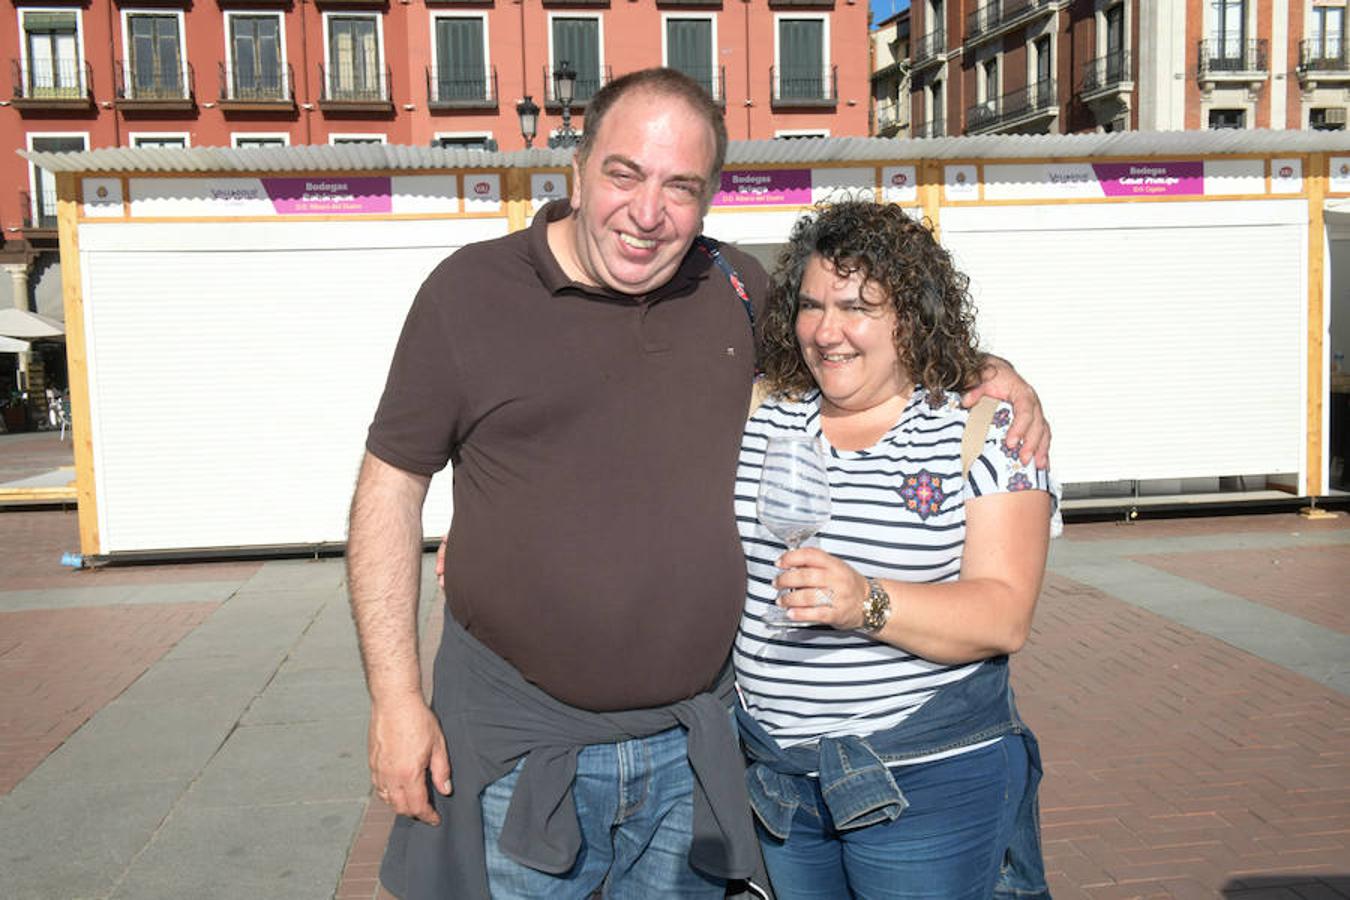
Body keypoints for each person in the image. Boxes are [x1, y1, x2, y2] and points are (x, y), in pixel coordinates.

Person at [347, 68, 1050, 900]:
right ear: (576, 168)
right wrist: (395, 701)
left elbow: (859, 336)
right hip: (519, 748)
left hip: (693, 758)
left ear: (710, 196)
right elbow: (390, 490)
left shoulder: (736, 288)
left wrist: (986, 370)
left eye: (681, 187)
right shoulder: (469, 292)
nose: (649, 214)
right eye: (624, 174)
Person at [733, 201, 1056, 899]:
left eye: (857, 307)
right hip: (778, 782)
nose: (826, 331)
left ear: (910, 314)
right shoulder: (760, 413)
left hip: (925, 778)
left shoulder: (985, 430)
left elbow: (1004, 616)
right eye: (812, 305)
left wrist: (864, 603)